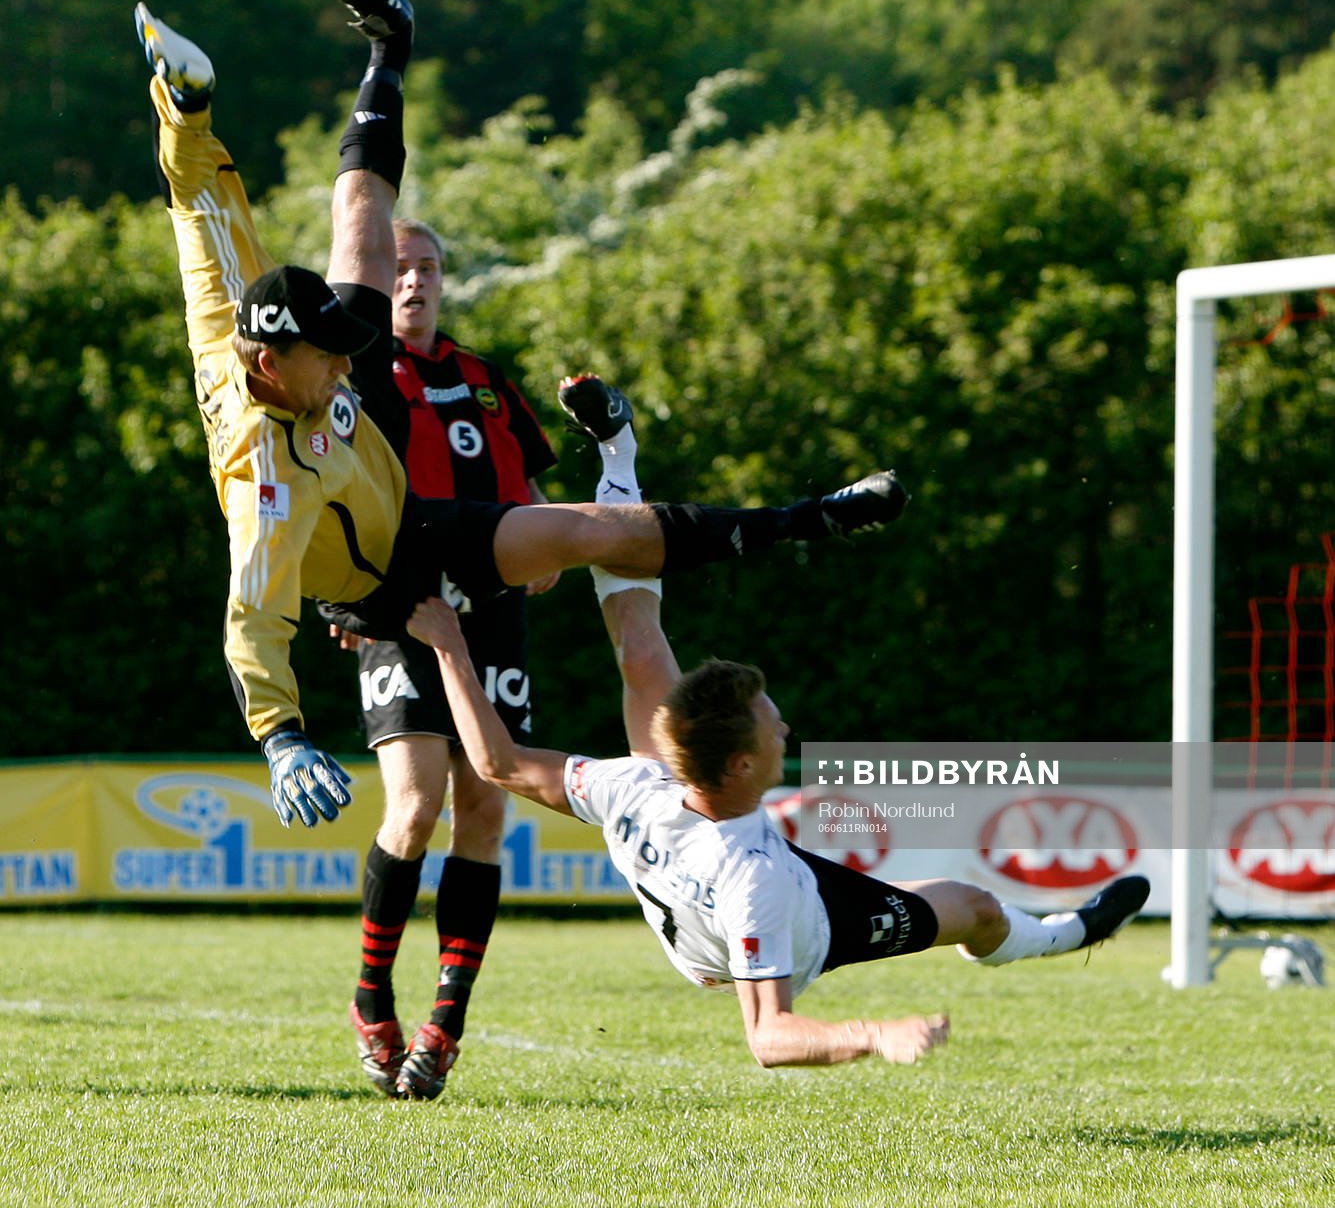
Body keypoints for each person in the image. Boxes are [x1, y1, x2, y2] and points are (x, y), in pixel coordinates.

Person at [134, 0, 909, 848]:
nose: (354, 355)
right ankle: (379, 986)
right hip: (380, 579)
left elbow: (200, 206)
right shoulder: (265, 483)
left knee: (363, 222)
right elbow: (252, 623)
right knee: (465, 744)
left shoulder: (270, 333)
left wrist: (184, 109)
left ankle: (391, 44)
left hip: (398, 494)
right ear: (270, 365)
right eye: (332, 354)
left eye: (352, 345)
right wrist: (280, 738)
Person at [403, 377, 1151, 1071]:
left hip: (704, 852)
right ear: (737, 766)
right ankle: (1067, 936)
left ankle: (617, 452)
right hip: (806, 923)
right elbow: (768, 1037)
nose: (785, 730)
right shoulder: (752, 878)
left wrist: (448, 646)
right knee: (974, 908)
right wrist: (872, 1033)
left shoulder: (634, 783)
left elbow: (497, 762)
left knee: (638, 647)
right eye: (771, 728)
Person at [341, 217, 561, 1101]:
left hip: (493, 621)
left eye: (427, 268)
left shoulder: (485, 381)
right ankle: (370, 1002)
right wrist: (344, 596)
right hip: (404, 610)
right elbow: (330, 497)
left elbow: (534, 494)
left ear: (443, 280)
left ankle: (445, 1023)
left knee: (483, 808)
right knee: (418, 802)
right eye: (399, 269)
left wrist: (550, 550)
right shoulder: (356, 375)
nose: (414, 283)